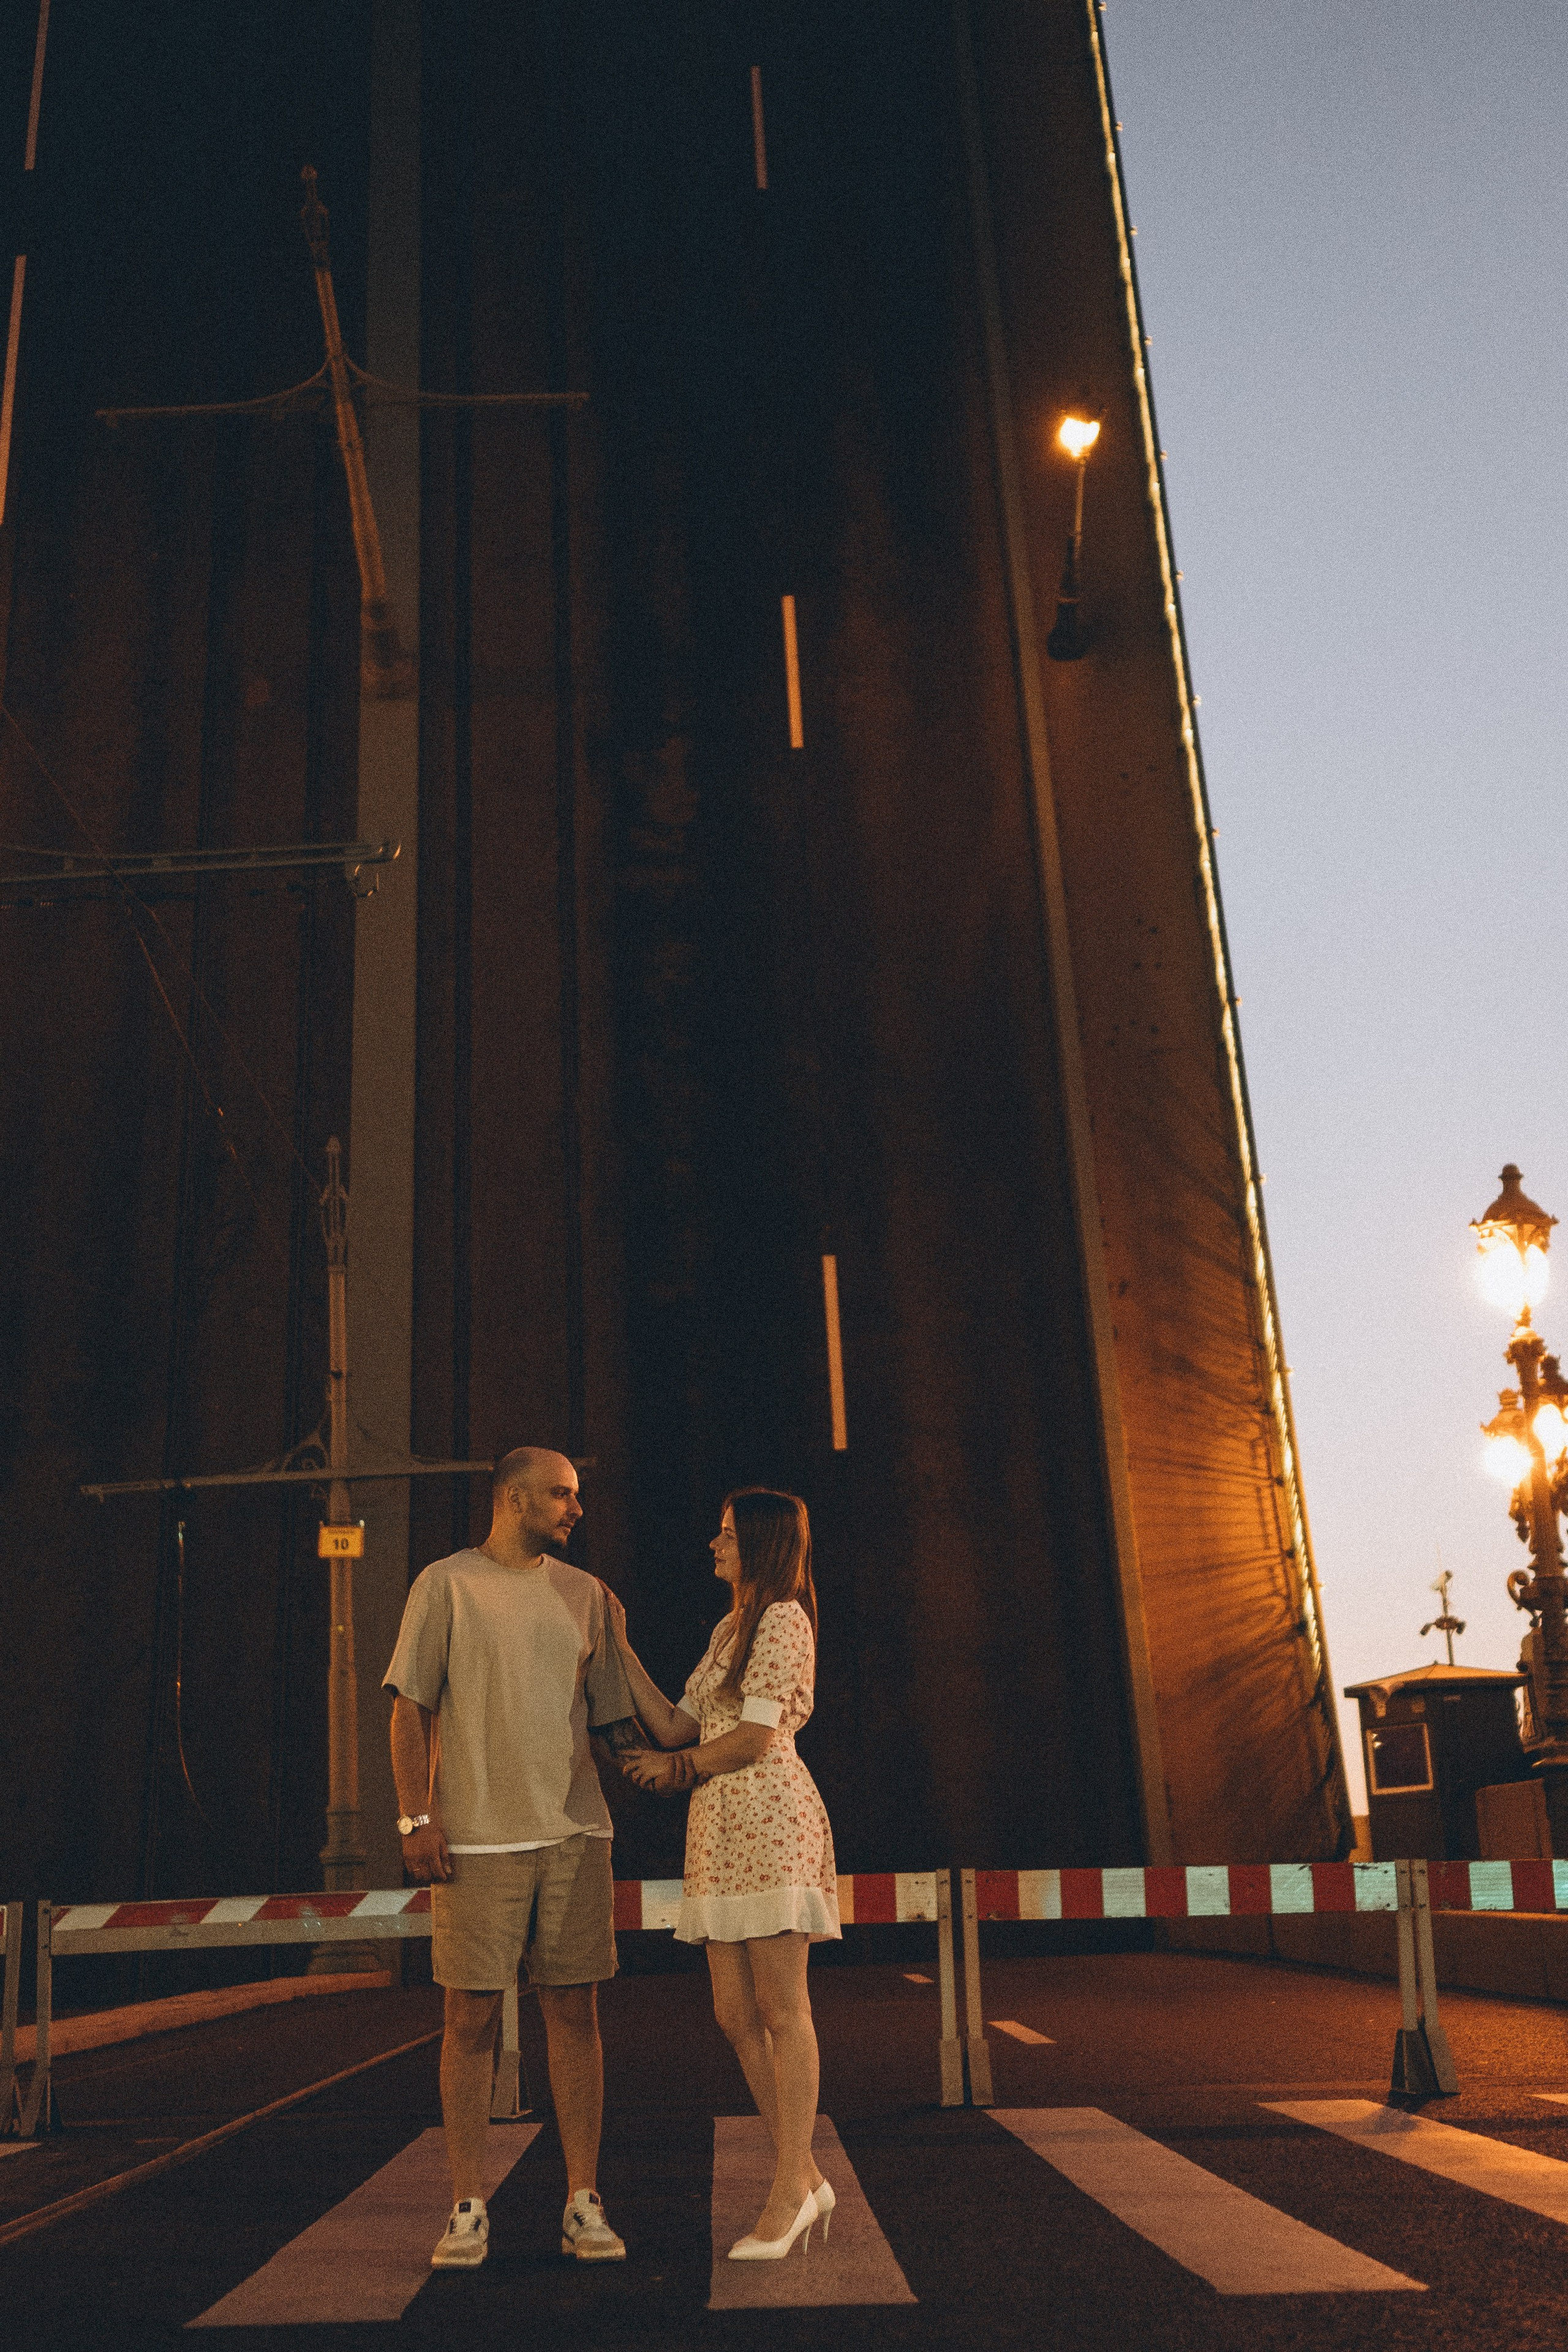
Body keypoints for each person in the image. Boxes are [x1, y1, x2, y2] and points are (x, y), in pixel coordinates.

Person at [384, 1446, 641, 2271]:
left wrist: (707, 1752)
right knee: (469, 2019)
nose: (575, 1510)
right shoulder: (445, 1583)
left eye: (577, 1497)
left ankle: (583, 2199)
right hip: (477, 1840)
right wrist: (415, 1819)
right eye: (561, 1495)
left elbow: (615, 1721)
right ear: (512, 1496)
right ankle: (468, 2205)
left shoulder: (588, 1595)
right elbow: (409, 1708)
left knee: (575, 2014)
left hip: (574, 1836)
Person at [611, 1487, 840, 2262]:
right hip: (719, 1829)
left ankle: (787, 2191)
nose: (713, 1545)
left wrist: (675, 1771)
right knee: (733, 2014)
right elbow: (682, 1722)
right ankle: (803, 2172)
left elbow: (748, 1738)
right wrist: (618, 1647)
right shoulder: (729, 1627)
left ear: (763, 1546)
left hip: (769, 1818)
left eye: (727, 1535)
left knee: (783, 2008)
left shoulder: (783, 1619)